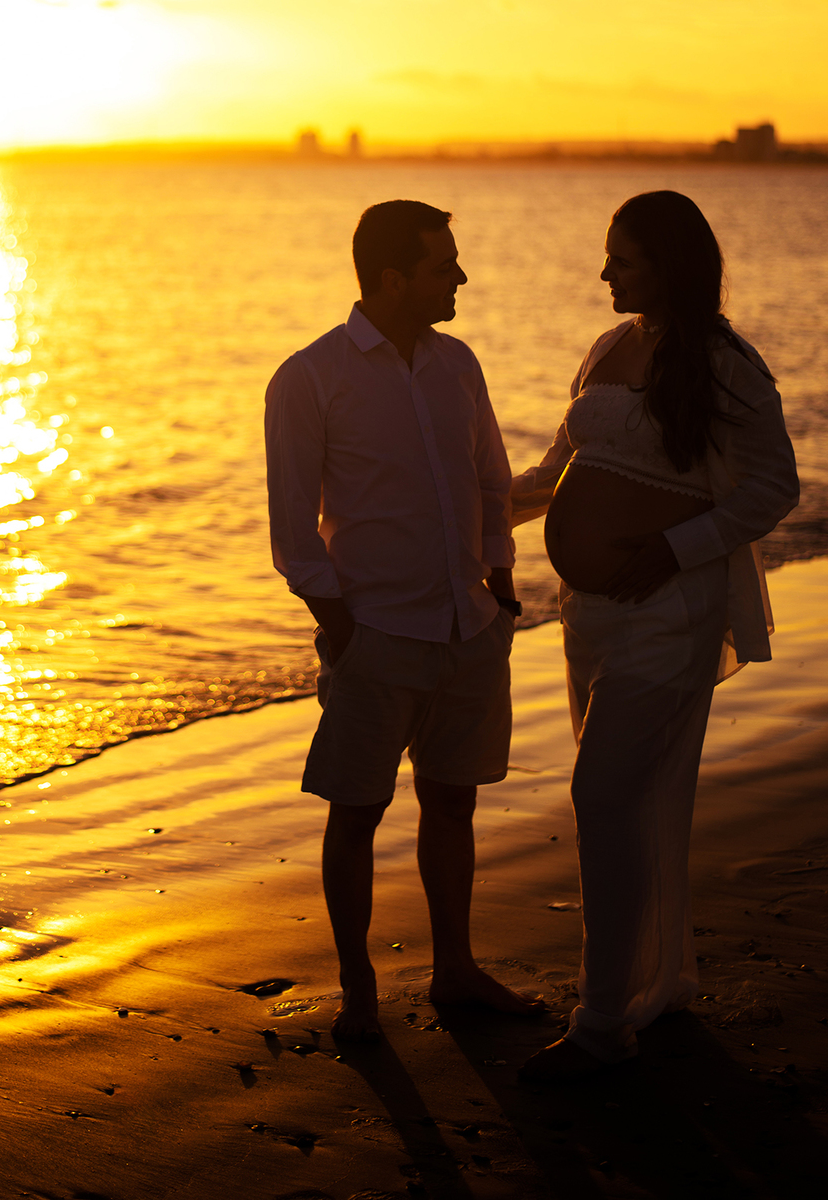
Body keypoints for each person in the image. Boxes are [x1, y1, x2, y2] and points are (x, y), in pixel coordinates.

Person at [512, 189, 799, 1082]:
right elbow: (558, 473)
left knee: (601, 799)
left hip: (670, 618)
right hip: (586, 618)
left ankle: (601, 1023)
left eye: (622, 259)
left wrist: (672, 548)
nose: (604, 273)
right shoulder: (608, 348)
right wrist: (461, 507)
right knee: (630, 800)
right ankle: (660, 979)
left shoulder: (724, 365)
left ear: (668, 264)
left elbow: (772, 489)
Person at [264, 198, 542, 1040]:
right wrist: (342, 627)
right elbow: (291, 528)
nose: (459, 276)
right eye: (442, 264)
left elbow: (491, 483)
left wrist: (500, 589)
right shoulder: (308, 377)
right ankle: (358, 993)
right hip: (378, 636)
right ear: (394, 278)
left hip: (470, 627)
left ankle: (455, 970)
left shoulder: (459, 364)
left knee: (453, 803)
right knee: (356, 811)